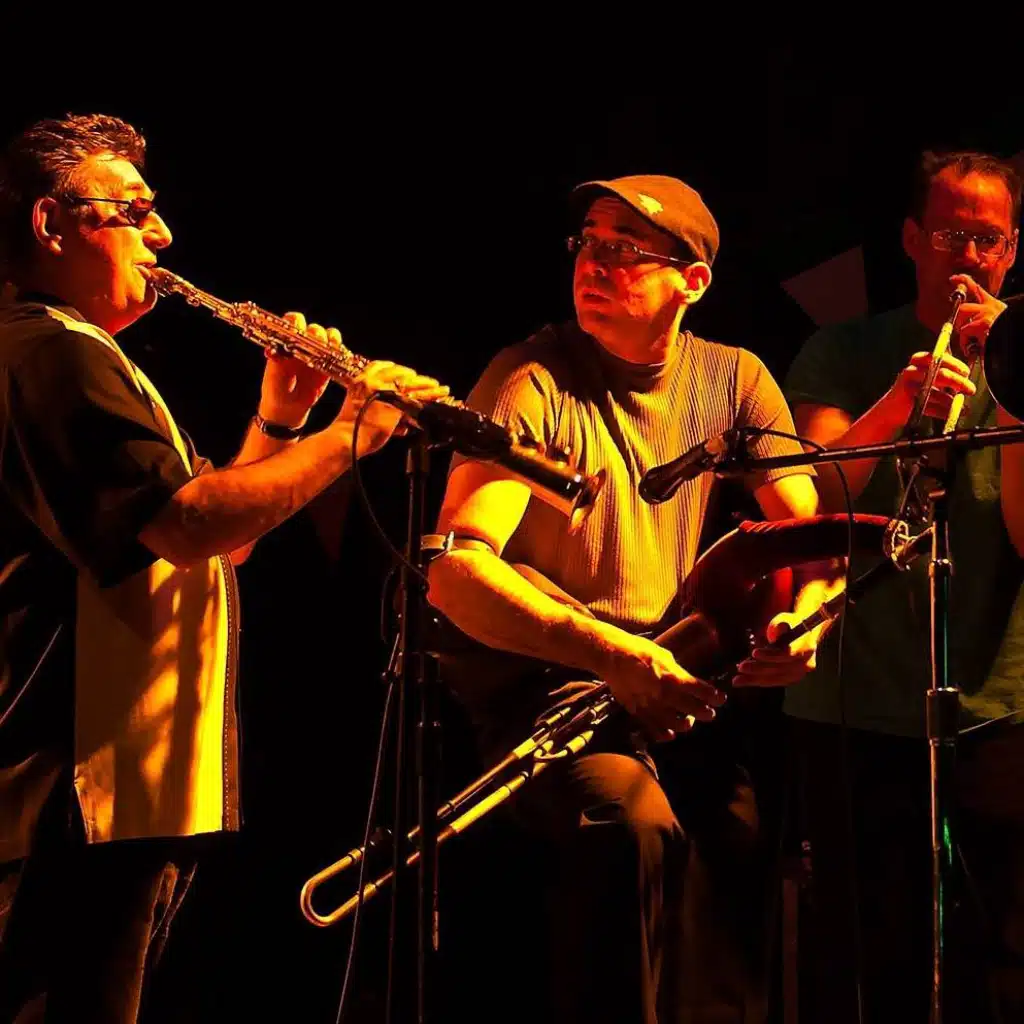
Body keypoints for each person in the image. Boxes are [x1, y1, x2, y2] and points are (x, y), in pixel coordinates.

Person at [0, 113, 447, 1023]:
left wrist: (281, 419)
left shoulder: (87, 354)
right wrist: (355, 431)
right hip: (74, 795)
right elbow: (187, 525)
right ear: (51, 224)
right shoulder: (48, 350)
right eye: (133, 212)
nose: (162, 236)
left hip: (134, 793)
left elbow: (220, 535)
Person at [426, 173, 841, 1024]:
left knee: (738, 834)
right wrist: (612, 654)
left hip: (670, 683)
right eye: (587, 241)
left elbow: (809, 535)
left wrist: (808, 621)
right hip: (553, 685)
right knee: (632, 823)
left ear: (693, 281)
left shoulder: (733, 378)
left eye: (624, 249)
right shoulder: (530, 377)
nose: (593, 262)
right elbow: (458, 571)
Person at [783, 149, 1024, 1023]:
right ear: (913, 240)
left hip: (995, 703)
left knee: (992, 950)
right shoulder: (843, 350)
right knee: (862, 950)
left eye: (987, 239)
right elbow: (812, 494)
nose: (969, 258)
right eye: (951, 235)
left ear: (1012, 251)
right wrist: (898, 403)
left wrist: (1010, 384)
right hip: (856, 696)